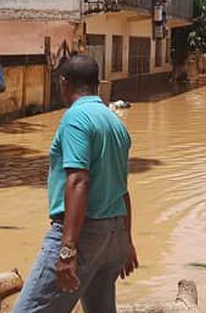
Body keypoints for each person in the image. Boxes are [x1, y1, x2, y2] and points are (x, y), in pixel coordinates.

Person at [14, 54, 138, 313]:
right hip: (113, 236)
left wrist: (67, 249)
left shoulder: (75, 119)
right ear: (97, 84)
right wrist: (126, 240)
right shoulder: (115, 122)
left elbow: (79, 180)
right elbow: (122, 189)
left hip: (84, 235)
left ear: (63, 82)